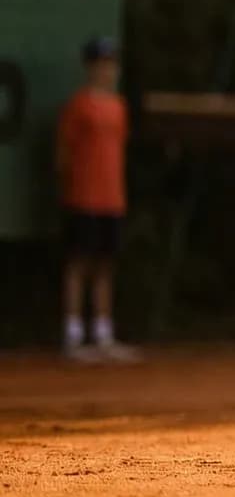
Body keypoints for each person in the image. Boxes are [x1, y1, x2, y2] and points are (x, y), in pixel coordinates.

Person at [57, 35, 138, 362]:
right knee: (78, 263)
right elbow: (62, 155)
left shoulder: (119, 107)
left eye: (111, 64)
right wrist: (71, 190)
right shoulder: (78, 106)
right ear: (90, 67)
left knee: (106, 265)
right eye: (101, 64)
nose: (107, 70)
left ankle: (103, 335)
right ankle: (73, 336)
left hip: (112, 200)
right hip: (82, 198)